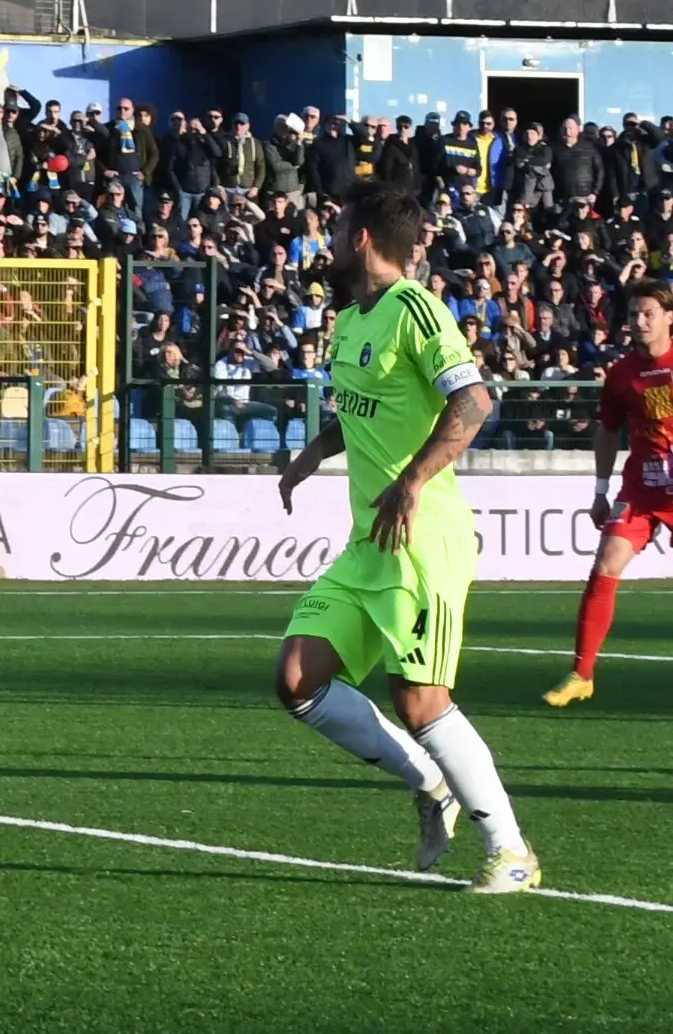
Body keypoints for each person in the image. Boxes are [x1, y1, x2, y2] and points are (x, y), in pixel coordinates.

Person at [272, 181, 537, 894]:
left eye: (335, 231)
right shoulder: (354, 318)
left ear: (361, 238)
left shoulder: (415, 310)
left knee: (420, 700)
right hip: (370, 543)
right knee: (297, 678)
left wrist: (413, 480)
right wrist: (313, 452)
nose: (326, 243)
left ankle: (511, 851)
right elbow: (365, 409)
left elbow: (473, 400)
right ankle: (430, 782)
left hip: (423, 540)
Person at [545, 278, 673, 706]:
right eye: (634, 313)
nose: (639, 321)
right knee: (605, 562)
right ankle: (581, 674)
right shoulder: (621, 374)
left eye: (648, 313)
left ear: (669, 317)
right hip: (641, 488)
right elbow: (608, 432)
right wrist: (600, 491)